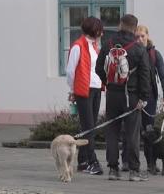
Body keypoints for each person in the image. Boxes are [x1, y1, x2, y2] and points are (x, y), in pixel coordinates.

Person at [95, 14, 151, 182]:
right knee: (132, 133)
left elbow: (98, 68)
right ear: (135, 28)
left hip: (113, 94)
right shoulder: (138, 47)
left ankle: (113, 169)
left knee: (112, 131)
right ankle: (134, 171)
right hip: (132, 96)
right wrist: (144, 97)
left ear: (120, 25)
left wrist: (108, 83)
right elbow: (145, 75)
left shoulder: (108, 44)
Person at [65, 16, 105, 176]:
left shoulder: (94, 46)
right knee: (88, 127)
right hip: (84, 90)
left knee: (90, 126)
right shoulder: (78, 46)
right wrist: (73, 89)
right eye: (100, 30)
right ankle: (91, 161)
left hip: (96, 88)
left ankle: (82, 160)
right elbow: (70, 71)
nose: (102, 33)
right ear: (94, 30)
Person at [135, 24, 164, 174]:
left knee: (148, 131)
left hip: (150, 96)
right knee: (133, 129)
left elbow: (162, 76)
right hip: (134, 95)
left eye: (142, 36)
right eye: (137, 36)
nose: (140, 39)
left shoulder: (155, 54)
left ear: (147, 36)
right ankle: (128, 161)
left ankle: (150, 163)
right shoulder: (132, 52)